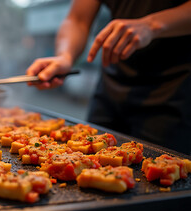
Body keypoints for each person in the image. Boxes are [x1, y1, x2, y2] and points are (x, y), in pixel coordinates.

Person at [26, 0, 191, 154]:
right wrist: (65, 56)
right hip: (110, 85)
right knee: (85, 158)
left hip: (175, 89)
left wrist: (152, 25)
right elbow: (77, 19)